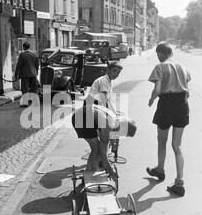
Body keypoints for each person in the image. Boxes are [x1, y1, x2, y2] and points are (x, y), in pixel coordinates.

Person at [147, 41, 191, 196]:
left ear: (164, 53)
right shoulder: (183, 67)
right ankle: (180, 182)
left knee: (162, 141)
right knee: (177, 145)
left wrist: (152, 100)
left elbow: (157, 90)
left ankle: (160, 170)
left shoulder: (160, 67)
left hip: (166, 105)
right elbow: (188, 92)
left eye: (158, 55)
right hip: (182, 105)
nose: (158, 58)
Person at [71, 102, 137, 180]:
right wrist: (109, 168)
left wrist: (111, 140)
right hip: (82, 118)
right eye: (123, 134)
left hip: (83, 114)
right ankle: (91, 172)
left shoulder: (115, 118)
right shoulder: (109, 126)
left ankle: (89, 170)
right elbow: (103, 152)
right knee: (97, 149)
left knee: (97, 148)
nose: (121, 136)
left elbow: (113, 131)